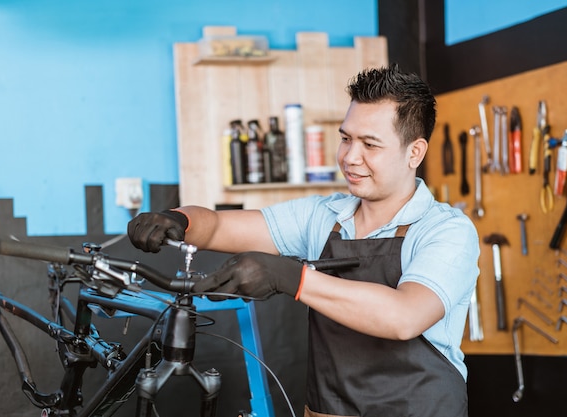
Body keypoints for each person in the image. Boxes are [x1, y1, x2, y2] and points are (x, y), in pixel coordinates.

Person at [128, 64, 480, 417]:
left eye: (370, 144)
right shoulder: (322, 217)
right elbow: (218, 226)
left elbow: (404, 316)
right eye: (346, 138)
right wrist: (178, 219)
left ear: (414, 153)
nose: (350, 157)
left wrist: (289, 277)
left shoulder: (446, 230)